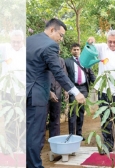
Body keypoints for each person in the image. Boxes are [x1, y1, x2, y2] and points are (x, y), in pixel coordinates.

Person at [26, 18, 86, 168]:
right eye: (61, 34)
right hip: (37, 94)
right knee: (36, 133)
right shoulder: (50, 45)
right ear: (52, 30)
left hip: (24, 91)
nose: (61, 39)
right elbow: (58, 72)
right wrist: (75, 92)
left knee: (28, 131)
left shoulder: (29, 40)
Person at [0, 30, 26, 153]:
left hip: (22, 92)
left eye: (18, 42)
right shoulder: (4, 49)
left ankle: (21, 145)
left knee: (21, 119)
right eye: (14, 42)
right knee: (9, 120)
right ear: (10, 41)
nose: (16, 44)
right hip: (7, 91)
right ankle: (10, 146)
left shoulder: (26, 51)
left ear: (22, 41)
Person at [65, 43, 96, 141]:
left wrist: (97, 85)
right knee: (73, 112)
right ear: (71, 51)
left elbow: (91, 75)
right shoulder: (67, 62)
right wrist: (66, 89)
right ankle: (71, 135)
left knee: (81, 112)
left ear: (80, 51)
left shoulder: (85, 61)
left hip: (83, 89)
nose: (76, 51)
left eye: (78, 49)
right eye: (74, 49)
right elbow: (64, 76)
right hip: (73, 88)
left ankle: (79, 134)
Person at [48, 49, 68, 138]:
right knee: (40, 120)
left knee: (55, 119)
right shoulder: (43, 60)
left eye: (57, 50)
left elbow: (64, 76)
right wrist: (49, 92)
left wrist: (66, 89)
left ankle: (54, 142)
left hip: (57, 93)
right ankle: (38, 146)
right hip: (44, 94)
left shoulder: (61, 61)